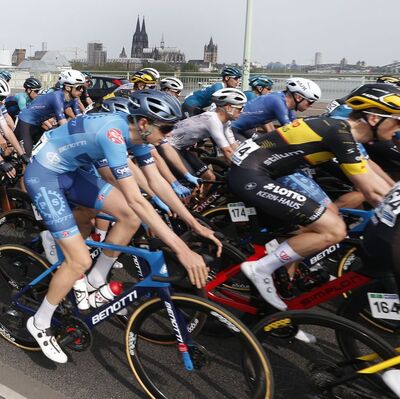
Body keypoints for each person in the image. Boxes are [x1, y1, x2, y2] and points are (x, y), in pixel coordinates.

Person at [24, 90, 221, 363]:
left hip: (72, 172)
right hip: (45, 176)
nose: (168, 134)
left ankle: (97, 279)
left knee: (129, 216)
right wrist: (181, 249)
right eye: (165, 128)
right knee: (79, 260)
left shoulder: (138, 132)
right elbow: (138, 199)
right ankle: (39, 321)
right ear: (144, 123)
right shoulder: (113, 134)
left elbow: (156, 183)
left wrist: (192, 223)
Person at [228, 83, 400, 310]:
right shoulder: (340, 132)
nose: (399, 126)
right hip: (250, 173)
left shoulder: (344, 131)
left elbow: (376, 179)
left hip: (272, 171)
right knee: (334, 229)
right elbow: (371, 190)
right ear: (373, 118)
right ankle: (261, 268)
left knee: (330, 214)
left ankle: (285, 268)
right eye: (396, 120)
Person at [164, 88, 246, 183]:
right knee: (191, 182)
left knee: (209, 177)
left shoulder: (226, 122)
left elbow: (233, 146)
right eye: (240, 108)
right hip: (169, 146)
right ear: (228, 107)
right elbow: (226, 150)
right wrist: (244, 170)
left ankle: (201, 198)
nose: (242, 111)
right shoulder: (212, 119)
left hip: (181, 148)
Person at [14, 69, 85, 156]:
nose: (82, 90)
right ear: (67, 87)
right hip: (25, 122)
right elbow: (63, 124)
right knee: (28, 158)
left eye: (83, 87)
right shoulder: (57, 97)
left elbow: (79, 117)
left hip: (38, 123)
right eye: (79, 87)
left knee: (43, 152)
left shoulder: (74, 99)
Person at [232, 77, 321, 139]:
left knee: (263, 145)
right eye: (310, 102)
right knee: (247, 156)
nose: (311, 105)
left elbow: (295, 122)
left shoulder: (286, 102)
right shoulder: (277, 101)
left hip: (245, 128)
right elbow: (289, 128)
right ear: (298, 97)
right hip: (233, 127)